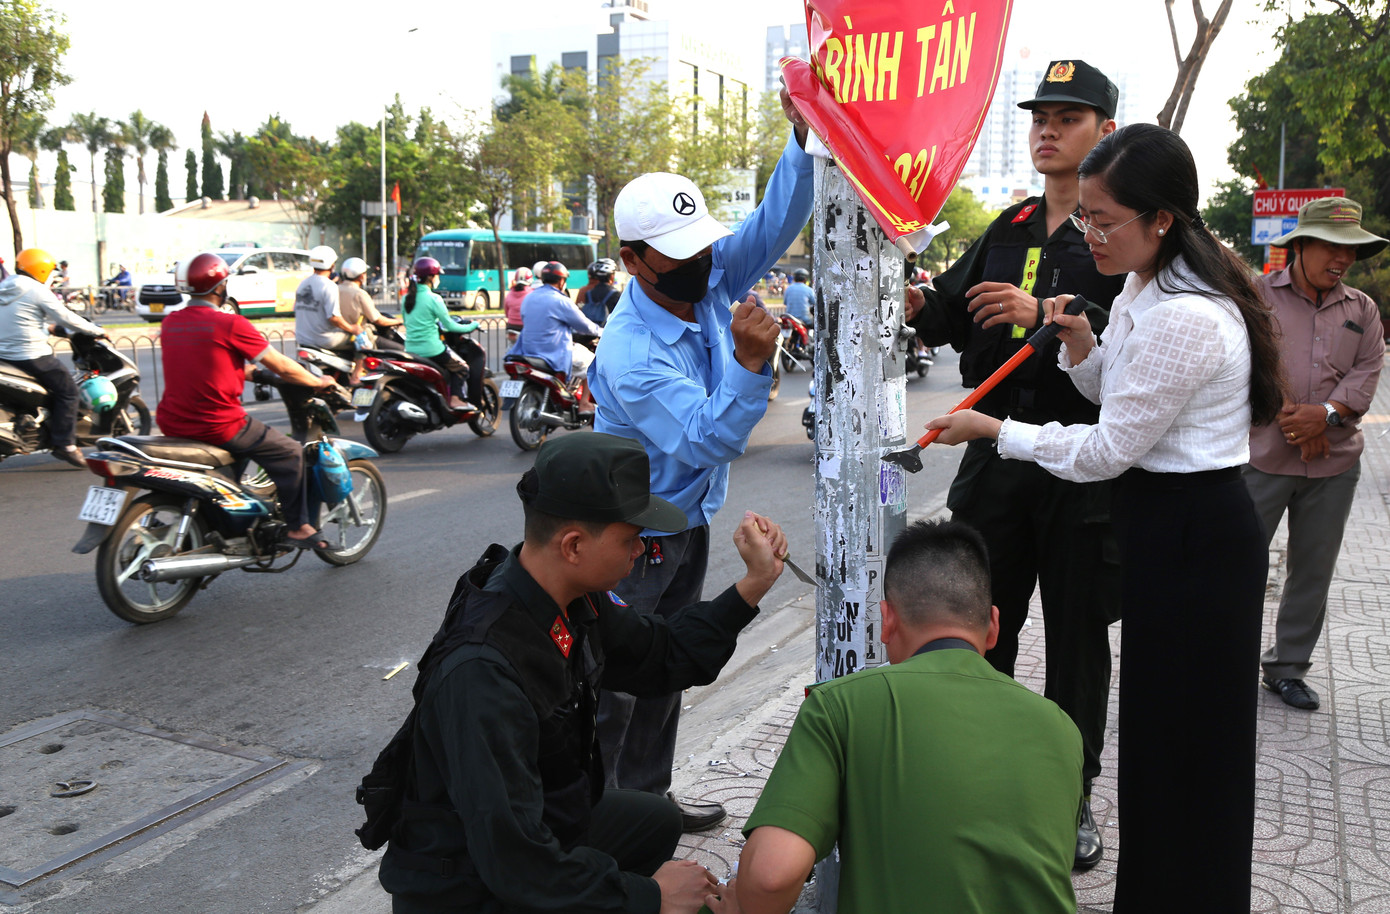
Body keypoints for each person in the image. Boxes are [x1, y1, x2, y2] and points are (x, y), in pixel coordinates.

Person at [925, 123, 1286, 913]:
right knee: (1157, 737)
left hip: (1197, 532)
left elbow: (1108, 449)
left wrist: (995, 430)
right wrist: (1084, 343)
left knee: (1193, 746)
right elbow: (1116, 394)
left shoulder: (1187, 314)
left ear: (1162, 219)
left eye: (1102, 220)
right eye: (1084, 216)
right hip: (1163, 521)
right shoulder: (1141, 288)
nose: (1087, 234)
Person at [376, 432, 788, 914]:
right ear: (573, 545)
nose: (641, 551)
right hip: (469, 886)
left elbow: (662, 654)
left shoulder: (567, 596)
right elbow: (517, 863)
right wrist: (650, 896)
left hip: (538, 822)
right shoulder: (483, 673)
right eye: (631, 539)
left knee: (654, 820)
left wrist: (755, 582)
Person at [901, 59, 1123, 869]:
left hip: (1078, 461)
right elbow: (950, 315)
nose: (1048, 130)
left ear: (1105, 130)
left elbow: (1142, 340)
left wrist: (1049, 316)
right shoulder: (1011, 224)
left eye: (1069, 117)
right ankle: (977, 773)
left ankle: (1070, 792)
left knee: (1075, 636)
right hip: (992, 454)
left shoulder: (1116, 233)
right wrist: (918, 301)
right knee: (976, 623)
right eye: (1040, 117)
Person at [589, 84, 813, 832]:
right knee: (620, 685)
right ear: (632, 260)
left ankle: (650, 802)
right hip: (633, 536)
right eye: (679, 253)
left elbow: (772, 223)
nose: (702, 261)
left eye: (703, 244)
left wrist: (801, 139)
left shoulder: (709, 277)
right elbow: (707, 438)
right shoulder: (632, 353)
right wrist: (750, 364)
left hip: (685, 520)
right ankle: (601, 818)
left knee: (669, 669)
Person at [709, 520, 1083, 914]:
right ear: (993, 627)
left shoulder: (840, 706)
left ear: (886, 620)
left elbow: (770, 878)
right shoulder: (1060, 727)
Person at [1246, 198, 1387, 711]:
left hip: (1335, 462)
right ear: (1300, 245)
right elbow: (1245, 361)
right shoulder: (1257, 296)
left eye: (1351, 250)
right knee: (1239, 562)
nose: (1343, 258)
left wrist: (1324, 416)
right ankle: (1226, 659)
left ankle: (1286, 668)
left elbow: (1367, 373)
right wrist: (1296, 419)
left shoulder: (1362, 309)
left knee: (1313, 568)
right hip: (1262, 457)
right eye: (1332, 245)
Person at [156, 252, 338, 550]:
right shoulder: (229, 324)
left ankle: (228, 516)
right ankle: (298, 527)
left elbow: (202, 363)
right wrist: (317, 381)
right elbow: (282, 366)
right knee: (290, 452)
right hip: (218, 424)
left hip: (172, 421)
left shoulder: (171, 323)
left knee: (240, 454)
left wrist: (248, 372)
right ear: (219, 287)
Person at [0, 248, 105, 467]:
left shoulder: (5, 286)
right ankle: (65, 445)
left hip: (5, 356)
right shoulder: (37, 290)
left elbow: (20, 319)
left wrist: (47, 328)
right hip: (31, 356)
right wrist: (96, 330)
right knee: (68, 391)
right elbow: (67, 318)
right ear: (41, 270)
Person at [508, 261, 603, 413]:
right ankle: (584, 403)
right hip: (553, 351)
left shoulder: (529, 297)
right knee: (593, 362)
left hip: (527, 350)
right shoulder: (560, 300)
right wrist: (602, 332)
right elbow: (584, 326)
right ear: (561, 281)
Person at [401, 256, 483, 411]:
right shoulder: (434, 298)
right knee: (462, 368)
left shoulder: (406, 298)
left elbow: (408, 322)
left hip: (410, 349)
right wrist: (472, 325)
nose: (438, 278)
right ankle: (455, 400)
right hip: (432, 350)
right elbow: (450, 325)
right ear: (431, 277)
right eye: (437, 275)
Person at [338, 256, 404, 384]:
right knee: (402, 351)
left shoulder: (335, 289)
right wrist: (399, 321)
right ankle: (359, 376)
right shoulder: (359, 293)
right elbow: (378, 320)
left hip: (339, 334)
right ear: (360, 276)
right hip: (360, 336)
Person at [295, 245, 362, 357]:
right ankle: (358, 368)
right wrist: (353, 329)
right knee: (364, 339)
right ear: (332, 265)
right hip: (324, 339)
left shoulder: (303, 284)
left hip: (303, 339)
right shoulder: (329, 286)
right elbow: (334, 318)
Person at [577, 258, 621, 327]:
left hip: (593, 330)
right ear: (612, 276)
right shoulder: (616, 294)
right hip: (609, 329)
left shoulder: (589, 293)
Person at [503, 266, 533, 344]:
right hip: (525, 327)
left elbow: (506, 313)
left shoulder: (510, 293)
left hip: (511, 327)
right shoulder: (532, 293)